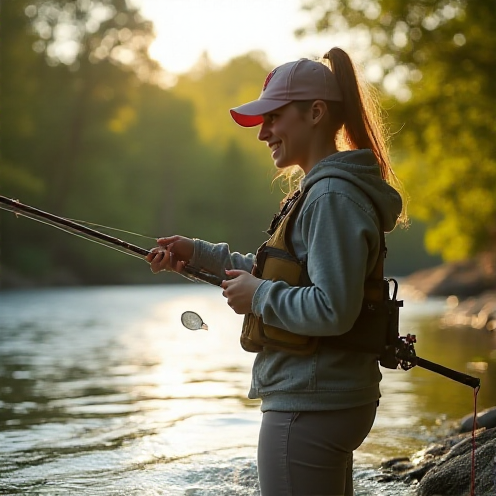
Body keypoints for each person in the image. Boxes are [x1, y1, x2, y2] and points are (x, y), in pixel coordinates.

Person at [146, 47, 406, 496]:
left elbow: (333, 308)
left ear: (316, 113)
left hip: (310, 404)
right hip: (327, 397)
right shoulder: (325, 192)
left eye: (274, 118)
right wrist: (199, 254)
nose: (263, 132)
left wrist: (259, 296)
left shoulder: (330, 198)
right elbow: (282, 274)